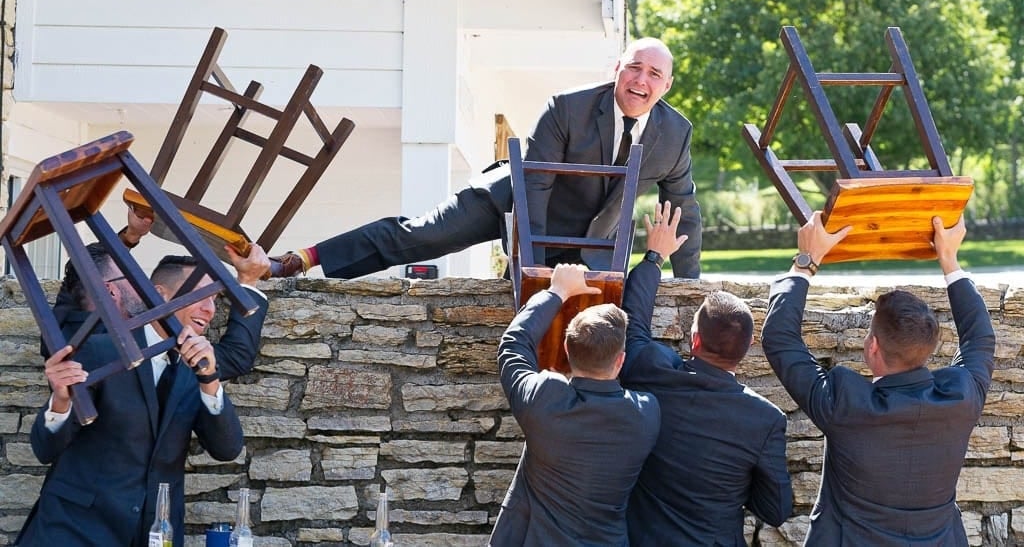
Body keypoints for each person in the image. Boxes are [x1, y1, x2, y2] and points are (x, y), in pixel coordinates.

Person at [269, 37, 703, 280]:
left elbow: (686, 212)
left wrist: (689, 287)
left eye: (653, 74)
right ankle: (300, 259)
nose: (640, 80)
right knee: (419, 236)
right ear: (616, 69)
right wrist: (528, 264)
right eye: (634, 68)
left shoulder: (675, 134)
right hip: (511, 202)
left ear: (666, 86)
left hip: (591, 239)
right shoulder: (568, 108)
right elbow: (535, 185)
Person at [761, 212, 995, 545]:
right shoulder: (961, 397)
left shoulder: (844, 403)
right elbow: (981, 338)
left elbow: (780, 339)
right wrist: (950, 260)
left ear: (872, 346)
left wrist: (806, 262)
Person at [17, 250, 245, 547]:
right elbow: (45, 449)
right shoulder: (102, 350)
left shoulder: (198, 368)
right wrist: (60, 403)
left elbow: (227, 449)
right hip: (74, 532)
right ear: (161, 295)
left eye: (215, 299)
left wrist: (210, 380)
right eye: (202, 295)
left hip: (153, 536)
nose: (210, 309)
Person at [618, 201, 792, 544]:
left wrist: (655, 257)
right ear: (748, 346)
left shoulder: (651, 371)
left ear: (694, 338)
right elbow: (775, 510)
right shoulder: (764, 419)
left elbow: (633, 325)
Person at [489, 259, 662, 545]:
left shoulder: (545, 398)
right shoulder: (646, 413)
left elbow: (513, 346)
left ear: (567, 349)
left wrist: (556, 291)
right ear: (620, 360)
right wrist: (653, 260)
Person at [48, 207, 272, 381]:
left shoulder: (64, 330)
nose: (143, 284)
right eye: (132, 276)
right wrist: (248, 281)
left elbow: (79, 275)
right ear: (109, 290)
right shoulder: (112, 345)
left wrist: (130, 236)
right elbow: (234, 358)